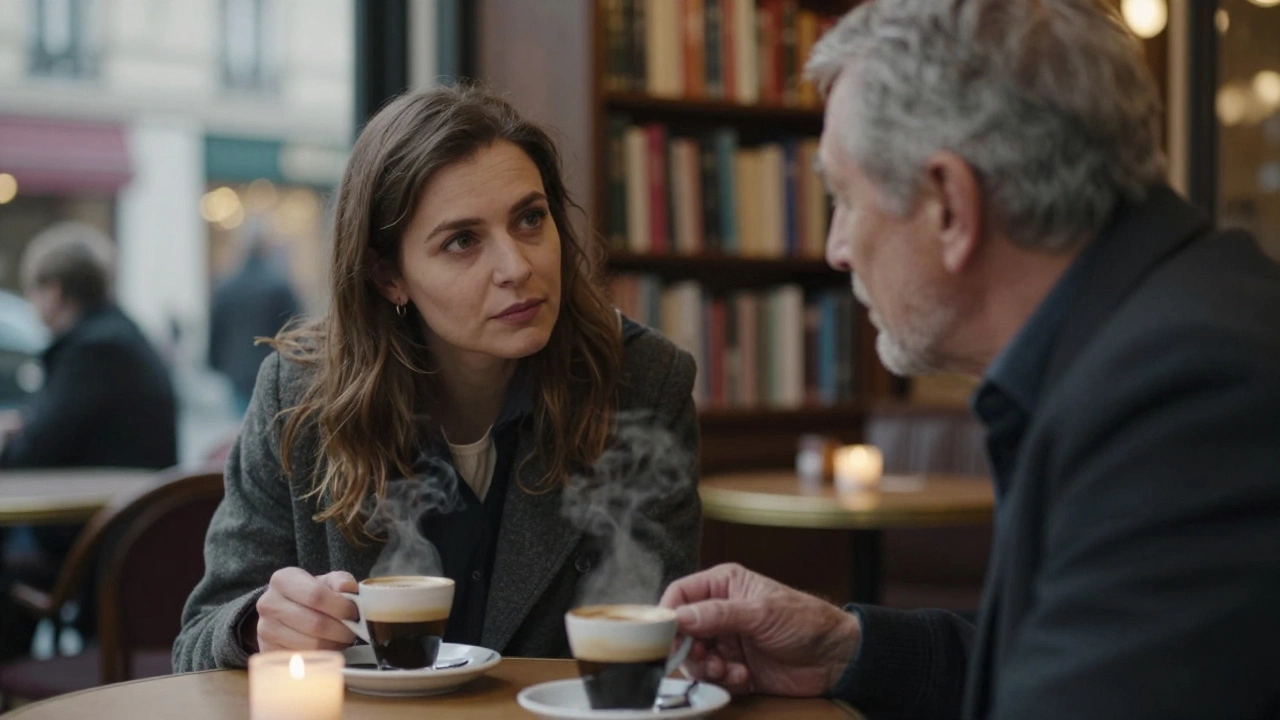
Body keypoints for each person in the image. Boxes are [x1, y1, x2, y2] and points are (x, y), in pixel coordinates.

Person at [660, 1, 1280, 718]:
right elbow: (1064, 660)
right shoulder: (1158, 335)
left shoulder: (1188, 395)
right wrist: (846, 647)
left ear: (951, 206)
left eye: (843, 197)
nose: (835, 248)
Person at [173, 85, 701, 671]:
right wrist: (255, 627)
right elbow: (197, 642)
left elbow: (668, 644)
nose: (517, 267)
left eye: (530, 219)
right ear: (388, 276)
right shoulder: (298, 396)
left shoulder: (641, 381)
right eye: (462, 241)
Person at [0, 221, 177, 659]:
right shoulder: (120, 335)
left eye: (35, 292)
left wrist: (16, 437)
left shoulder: (92, 350)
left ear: (55, 291)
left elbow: (33, 454)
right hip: (131, 532)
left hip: (103, 545)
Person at [208, 222, 302, 415]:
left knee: (242, 429)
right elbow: (296, 330)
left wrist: (215, 362)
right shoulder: (279, 285)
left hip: (237, 371)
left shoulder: (227, 285)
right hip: (274, 371)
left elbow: (217, 330)